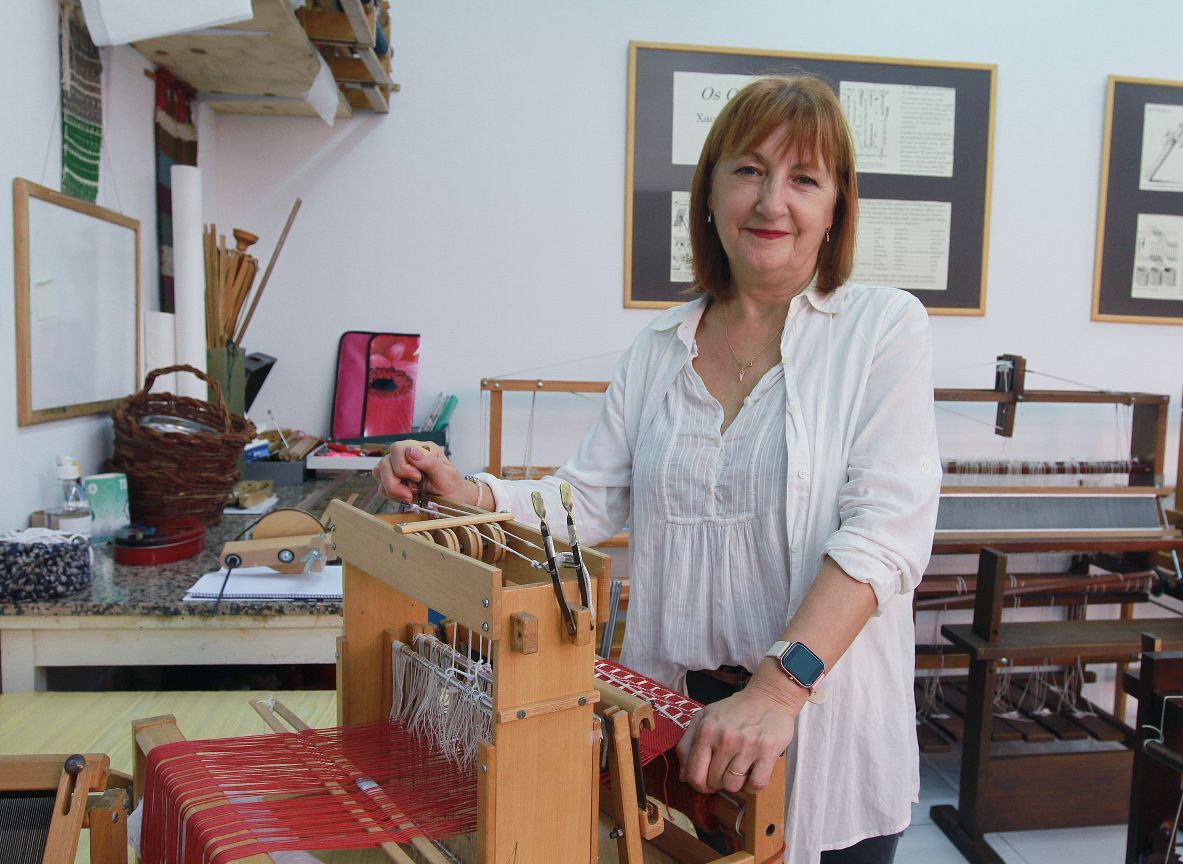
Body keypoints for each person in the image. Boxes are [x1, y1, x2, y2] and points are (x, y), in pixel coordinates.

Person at [374, 75, 941, 864]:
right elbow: (585, 502)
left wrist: (777, 692)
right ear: (709, 192)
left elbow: (887, 533)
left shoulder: (883, 329)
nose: (773, 201)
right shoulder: (659, 349)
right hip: (671, 733)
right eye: (748, 170)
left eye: (803, 178)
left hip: (818, 726)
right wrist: (463, 490)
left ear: (836, 206)